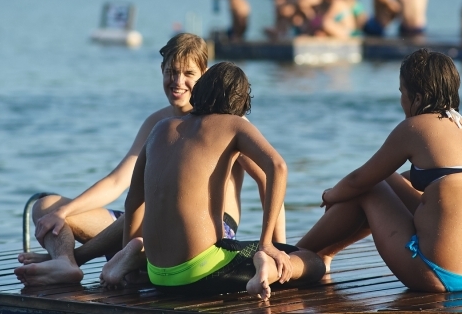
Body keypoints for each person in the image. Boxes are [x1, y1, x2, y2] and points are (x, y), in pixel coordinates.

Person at [15, 34, 285, 286]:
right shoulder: (158, 123)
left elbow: (267, 181)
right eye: (171, 72)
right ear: (161, 72)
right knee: (46, 207)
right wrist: (63, 212)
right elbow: (119, 181)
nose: (178, 81)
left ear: (205, 75)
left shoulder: (227, 122)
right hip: (147, 222)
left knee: (150, 208)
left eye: (188, 73)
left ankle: (88, 258)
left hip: (208, 229)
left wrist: (276, 245)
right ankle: (66, 261)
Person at [100, 62, 325, 300]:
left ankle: (131, 256)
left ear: (199, 90)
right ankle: (266, 269)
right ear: (241, 101)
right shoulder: (233, 124)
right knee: (312, 261)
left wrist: (128, 250)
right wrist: (267, 243)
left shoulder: (160, 128)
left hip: (157, 275)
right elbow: (278, 166)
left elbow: (134, 199)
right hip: (200, 271)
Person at [296, 49, 462, 293]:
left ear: (417, 98)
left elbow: (358, 180)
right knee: (384, 178)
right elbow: (437, 186)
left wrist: (331, 195)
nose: (401, 101)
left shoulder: (415, 127)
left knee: (369, 187)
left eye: (402, 93)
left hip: (436, 273)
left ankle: (297, 252)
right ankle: (324, 254)